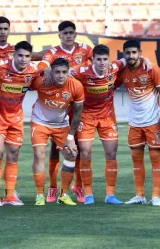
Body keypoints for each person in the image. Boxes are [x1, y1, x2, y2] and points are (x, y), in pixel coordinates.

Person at [37, 21, 93, 203]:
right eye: (65, 33)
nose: (69, 36)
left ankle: (76, 186)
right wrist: (45, 70)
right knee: (55, 148)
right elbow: (43, 65)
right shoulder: (53, 53)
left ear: (76, 34)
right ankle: (53, 188)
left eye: (72, 32)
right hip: (58, 104)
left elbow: (101, 60)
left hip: (79, 102)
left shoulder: (86, 49)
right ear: (59, 35)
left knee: (77, 147)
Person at [0, 41, 46, 207]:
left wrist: (47, 69)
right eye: (20, 55)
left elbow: (46, 66)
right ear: (13, 55)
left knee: (13, 156)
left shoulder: (33, 70)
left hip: (16, 119)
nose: (23, 59)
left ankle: (10, 195)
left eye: (27, 56)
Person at [70, 44, 125, 205]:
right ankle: (88, 194)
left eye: (105, 59)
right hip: (86, 117)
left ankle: (110, 195)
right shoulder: (81, 72)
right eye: (98, 59)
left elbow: (126, 60)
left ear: (109, 60)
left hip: (107, 118)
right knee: (85, 154)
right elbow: (65, 72)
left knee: (111, 154)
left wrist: (143, 60)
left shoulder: (114, 67)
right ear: (92, 60)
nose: (102, 63)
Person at [116, 40, 160, 206]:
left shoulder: (151, 68)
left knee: (155, 157)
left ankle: (156, 195)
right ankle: (140, 195)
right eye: (128, 53)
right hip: (135, 122)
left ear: (139, 52)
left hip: (153, 121)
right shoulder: (122, 72)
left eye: (134, 52)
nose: (131, 56)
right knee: (136, 158)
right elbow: (110, 82)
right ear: (124, 54)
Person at [30, 58, 84, 206]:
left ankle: (64, 195)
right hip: (40, 122)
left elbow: (78, 113)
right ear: (52, 72)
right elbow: (28, 72)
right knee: (39, 154)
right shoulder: (41, 82)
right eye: (57, 72)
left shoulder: (76, 86)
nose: (61, 75)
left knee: (72, 153)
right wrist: (44, 68)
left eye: (64, 72)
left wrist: (71, 137)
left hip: (61, 124)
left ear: (68, 72)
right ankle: (40, 195)